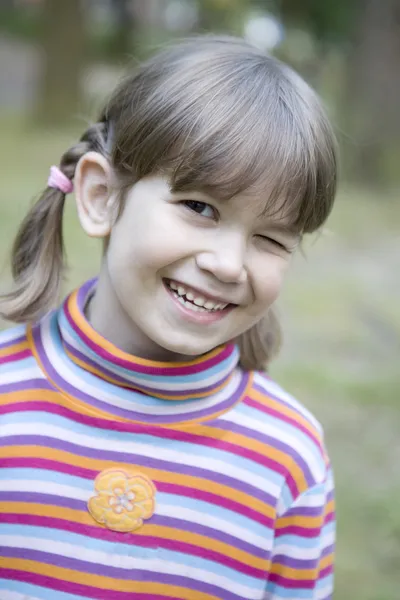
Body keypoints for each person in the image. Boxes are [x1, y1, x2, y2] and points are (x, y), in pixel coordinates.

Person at [0, 35, 337, 600]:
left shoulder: (289, 456)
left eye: (270, 239)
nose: (228, 265)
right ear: (102, 196)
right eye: (200, 208)